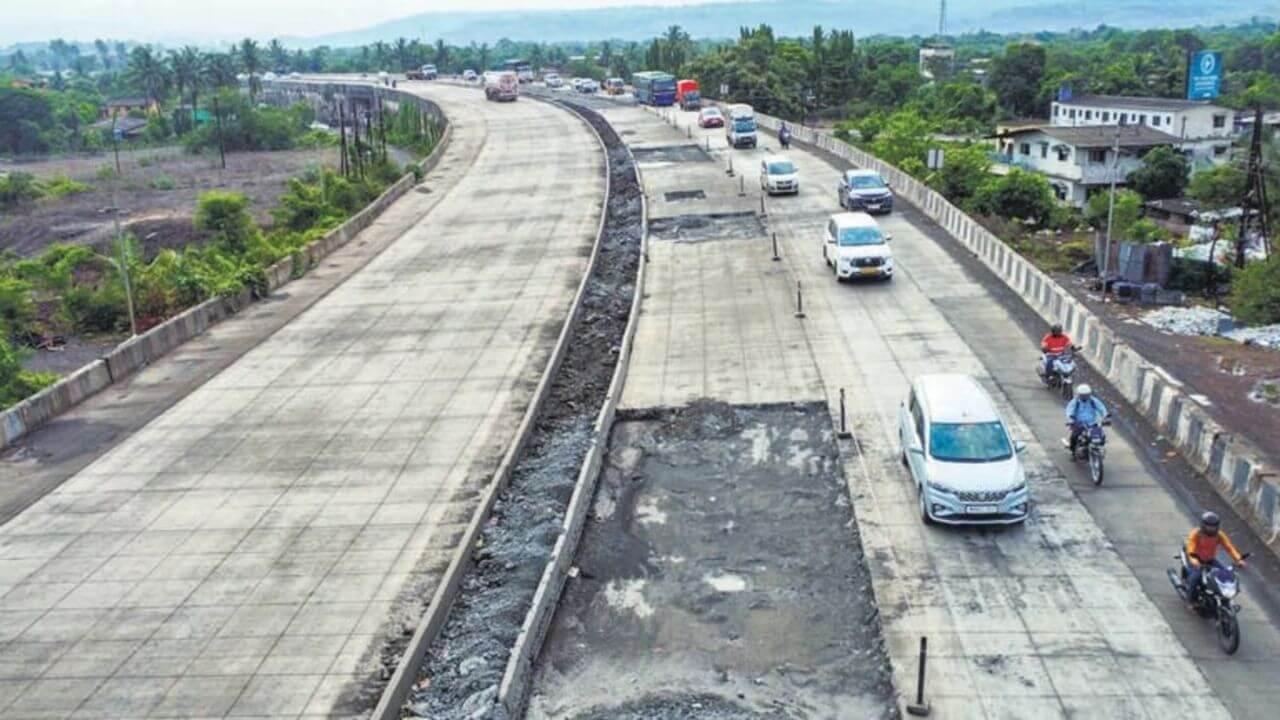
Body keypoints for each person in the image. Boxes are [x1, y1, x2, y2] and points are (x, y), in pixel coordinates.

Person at [1184, 511, 1246, 605]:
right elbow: (1190, 547)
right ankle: (1190, 601)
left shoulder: (1219, 535)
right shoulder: (1196, 534)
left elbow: (1229, 547)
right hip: (1196, 560)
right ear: (1203, 525)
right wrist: (1194, 560)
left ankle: (1222, 597)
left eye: (1213, 526)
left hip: (1210, 560)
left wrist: (1238, 559)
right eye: (1209, 526)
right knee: (1195, 578)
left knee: (1225, 574)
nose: (1211, 529)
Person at [1064, 384, 1107, 454]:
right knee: (1074, 437)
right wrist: (1071, 419)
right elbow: (1069, 409)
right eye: (1083, 395)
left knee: (1101, 436)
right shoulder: (1075, 402)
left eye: (1086, 395)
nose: (1085, 397)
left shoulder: (1093, 401)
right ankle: (1073, 451)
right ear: (1079, 395)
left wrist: (1105, 416)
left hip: (1092, 423)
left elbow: (1101, 408)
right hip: (1078, 424)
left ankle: (1099, 449)